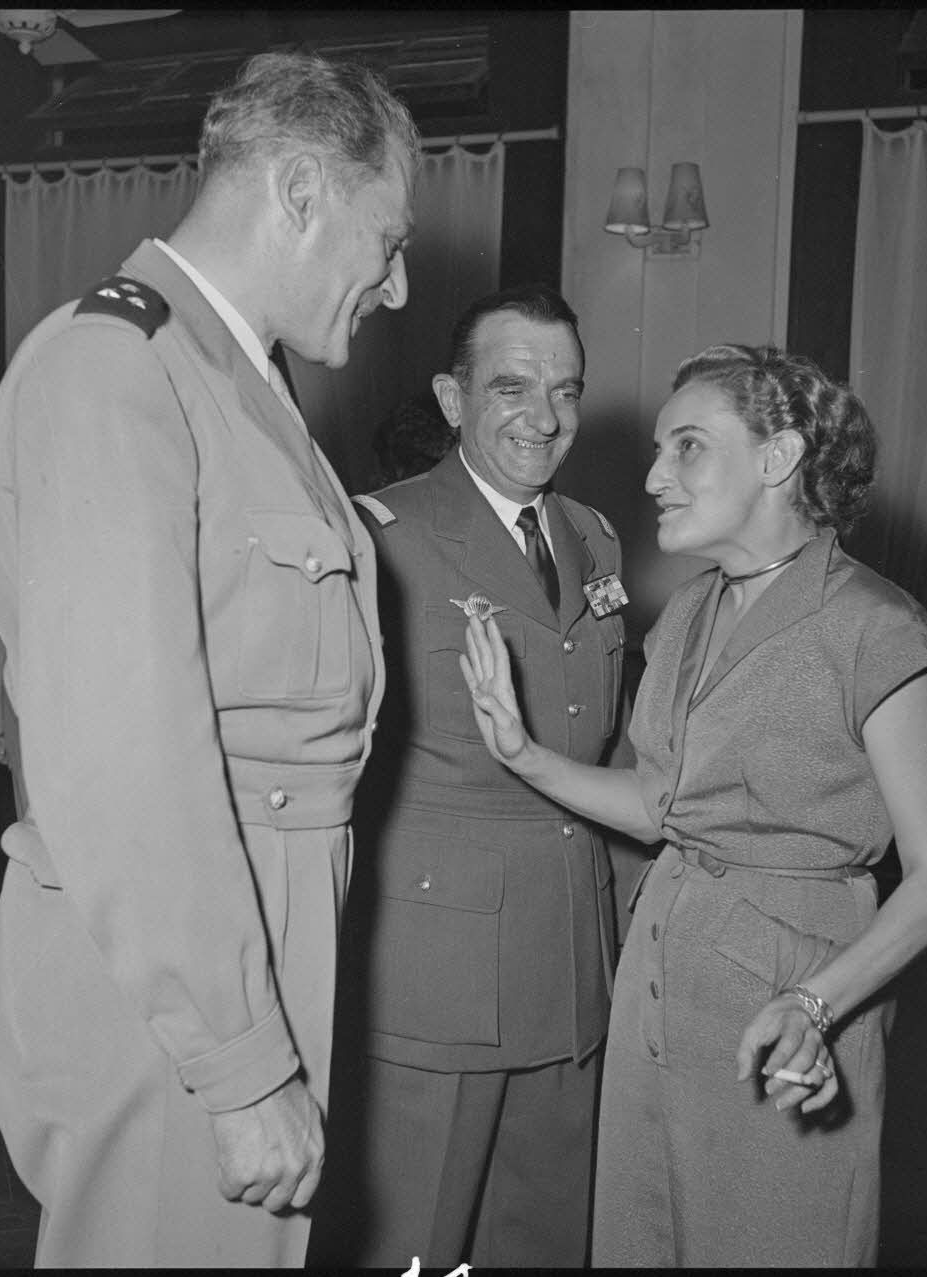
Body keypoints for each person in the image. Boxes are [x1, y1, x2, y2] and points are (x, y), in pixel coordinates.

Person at [0, 51, 418, 1268]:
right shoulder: (115, 368)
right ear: (301, 191)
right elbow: (124, 754)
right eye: (385, 239)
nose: (395, 282)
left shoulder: (234, 384)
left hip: (249, 931)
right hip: (171, 976)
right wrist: (236, 1055)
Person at [461, 343, 927, 1267]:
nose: (655, 475)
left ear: (779, 459)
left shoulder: (876, 629)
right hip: (664, 970)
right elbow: (661, 800)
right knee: (639, 1238)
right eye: (661, 449)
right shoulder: (691, 611)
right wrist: (524, 753)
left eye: (689, 447)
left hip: (791, 991)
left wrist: (817, 1007)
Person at [318, 285, 634, 1267]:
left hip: (573, 959)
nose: (544, 416)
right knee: (418, 1246)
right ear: (452, 399)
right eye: (511, 386)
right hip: (437, 972)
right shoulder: (380, 537)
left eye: (566, 389)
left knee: (542, 1241)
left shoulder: (595, 536)